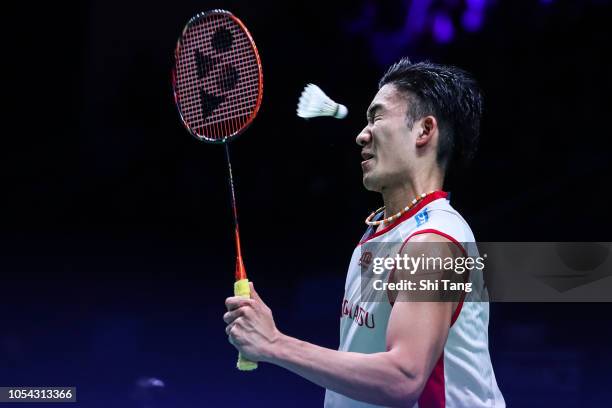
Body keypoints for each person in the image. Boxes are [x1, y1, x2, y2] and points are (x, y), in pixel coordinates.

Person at [223, 58, 505, 407]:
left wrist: (274, 343)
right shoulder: (382, 232)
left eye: (377, 117)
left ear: (424, 130)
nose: (361, 135)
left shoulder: (433, 243)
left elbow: (402, 378)